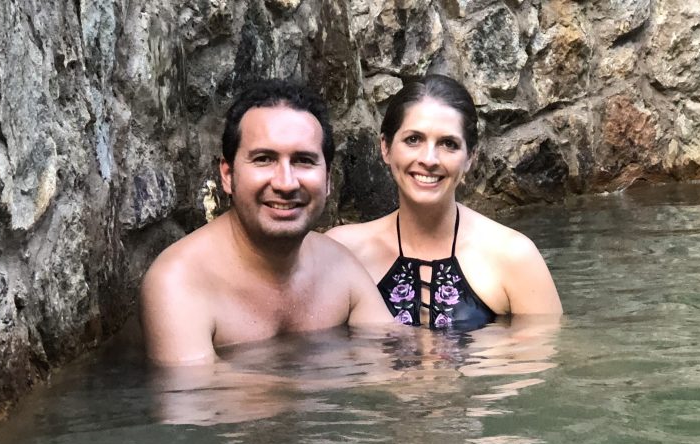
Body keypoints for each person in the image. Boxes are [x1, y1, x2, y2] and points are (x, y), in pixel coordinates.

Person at [141, 80, 393, 365]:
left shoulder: (341, 269)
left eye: (303, 160)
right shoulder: (179, 281)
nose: (285, 183)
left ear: (328, 180)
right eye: (264, 159)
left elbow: (391, 373)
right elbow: (195, 401)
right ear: (227, 175)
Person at [327, 74, 562, 329]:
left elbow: (542, 364)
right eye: (413, 139)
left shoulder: (514, 257)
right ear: (385, 147)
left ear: (470, 157)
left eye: (448, 144)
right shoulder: (342, 253)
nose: (429, 159)